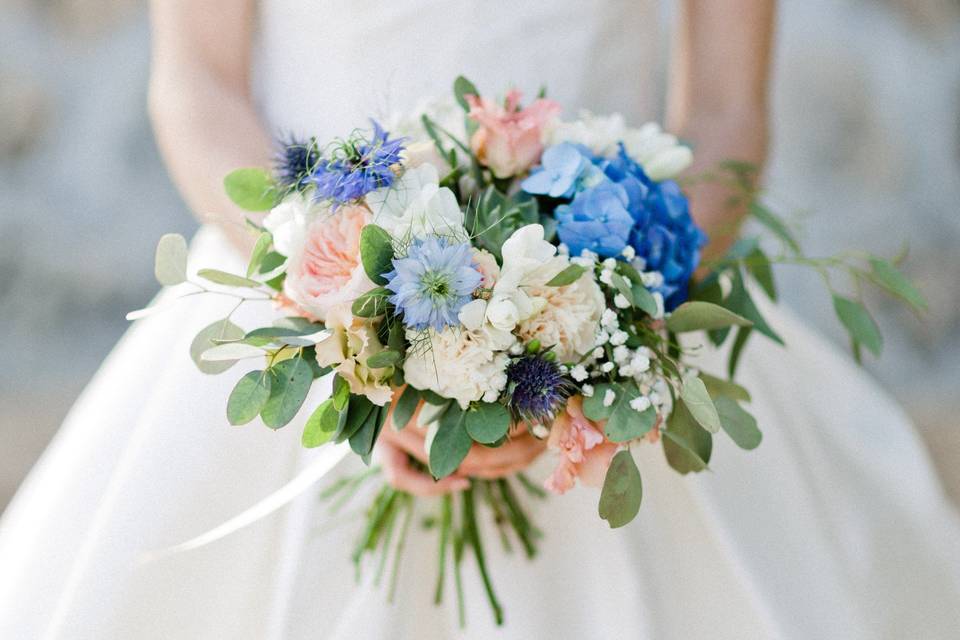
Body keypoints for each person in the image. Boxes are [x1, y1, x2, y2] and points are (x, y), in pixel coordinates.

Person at [2, 1, 959, 638]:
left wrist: (582, 334)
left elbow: (724, 117)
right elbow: (196, 83)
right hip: (305, 285)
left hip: (623, 309)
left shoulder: (602, 323)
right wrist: (352, 331)